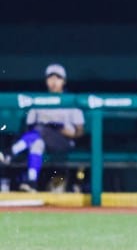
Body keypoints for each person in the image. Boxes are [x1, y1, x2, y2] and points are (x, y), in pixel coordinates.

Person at [0, 64, 84, 192]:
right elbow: (30, 128)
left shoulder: (71, 101)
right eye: (50, 78)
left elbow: (79, 132)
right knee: (36, 142)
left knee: (40, 130)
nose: (54, 82)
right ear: (46, 80)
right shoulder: (39, 101)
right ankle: (32, 182)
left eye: (58, 78)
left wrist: (63, 131)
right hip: (42, 140)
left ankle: (9, 153)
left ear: (64, 81)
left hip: (64, 142)